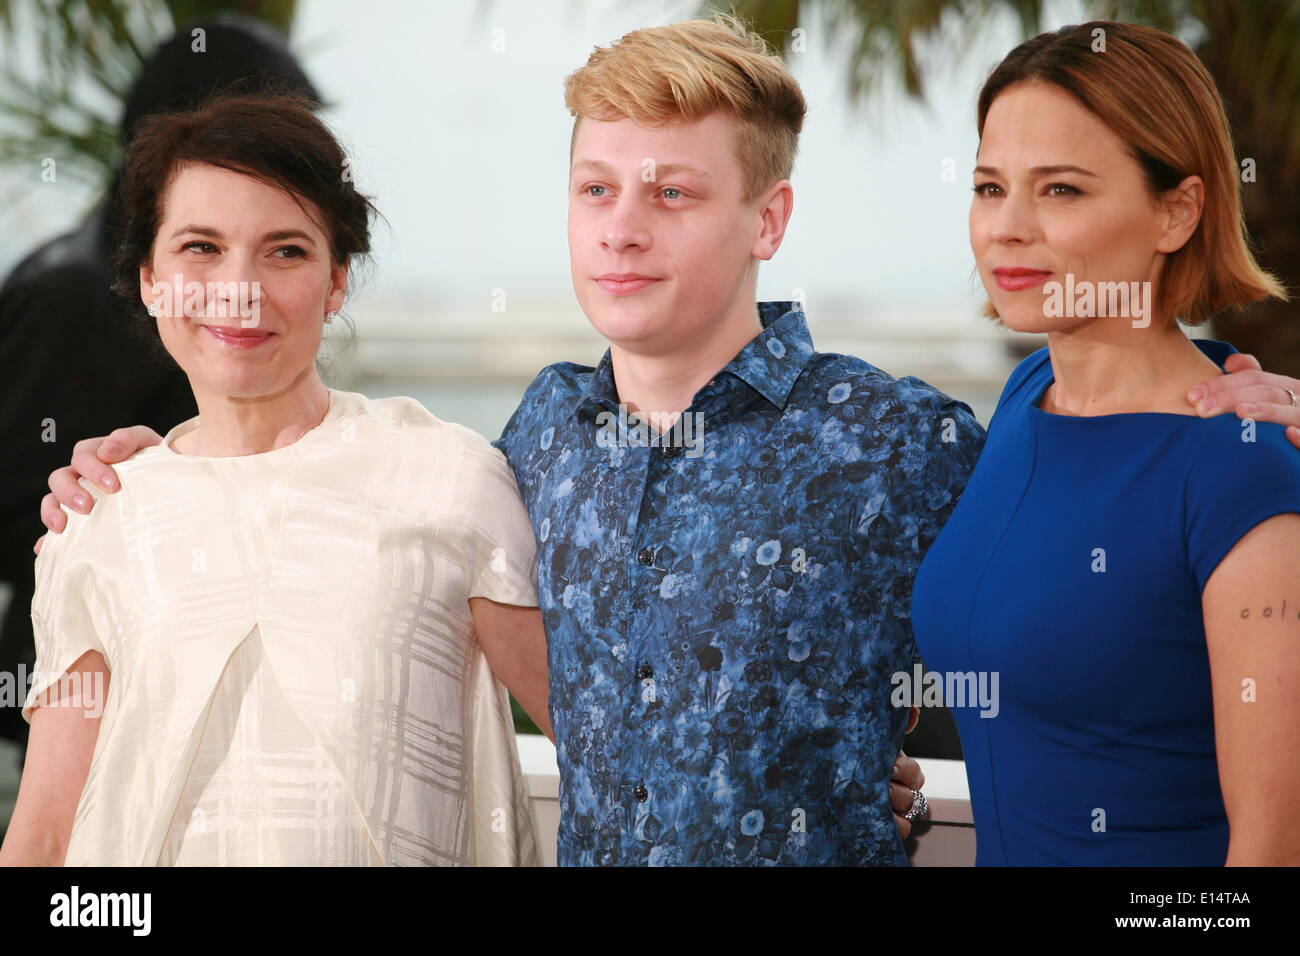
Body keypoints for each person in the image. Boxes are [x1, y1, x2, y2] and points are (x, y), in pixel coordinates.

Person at [0, 93, 547, 866]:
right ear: (150, 280)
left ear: (336, 284)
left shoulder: (447, 479)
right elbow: (48, 834)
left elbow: (604, 752)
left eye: (285, 250)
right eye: (200, 247)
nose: (239, 288)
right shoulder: (99, 515)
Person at [911, 21, 1300, 865]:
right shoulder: (1023, 401)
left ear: (1177, 211)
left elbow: (1273, 849)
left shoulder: (1240, 469)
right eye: (988, 187)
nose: (1007, 228)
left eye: (1061, 191)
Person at [0, 13, 318, 759]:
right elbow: (13, 500)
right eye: (274, 129)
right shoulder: (73, 294)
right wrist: (136, 513)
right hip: (87, 701)